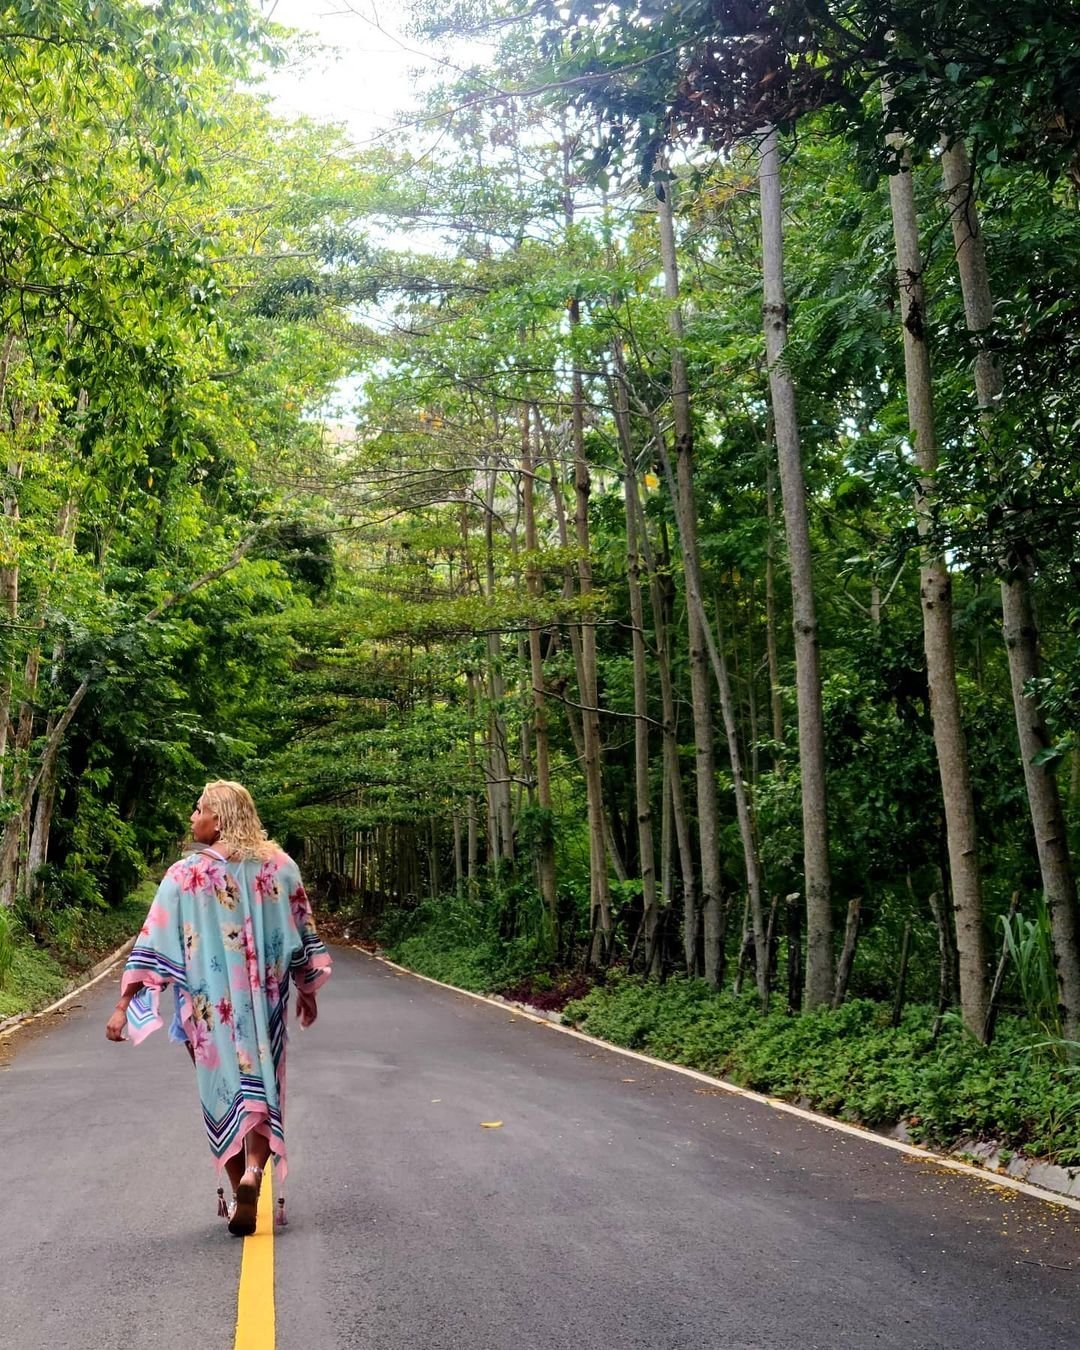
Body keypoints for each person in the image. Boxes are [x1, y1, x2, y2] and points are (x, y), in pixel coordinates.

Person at [106, 780, 331, 1236]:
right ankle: (253, 1173)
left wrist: (123, 1003)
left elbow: (152, 939)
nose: (192, 819)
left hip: (208, 1013)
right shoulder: (280, 867)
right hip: (264, 1005)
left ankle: (236, 1194)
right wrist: (307, 992)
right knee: (264, 1090)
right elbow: (301, 935)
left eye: (198, 810)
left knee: (221, 1093)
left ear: (220, 819)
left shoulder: (184, 875)